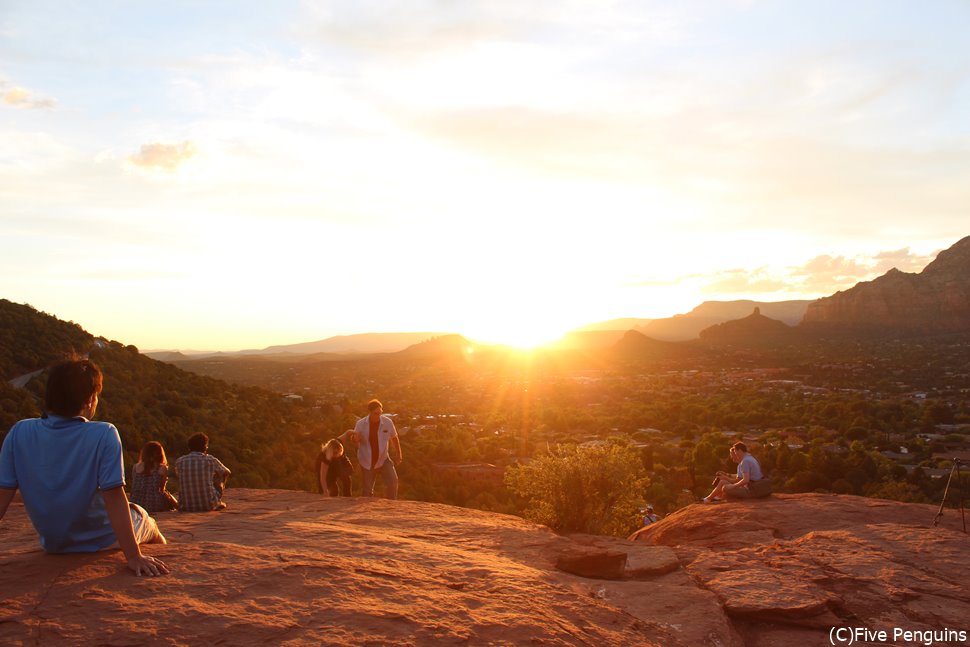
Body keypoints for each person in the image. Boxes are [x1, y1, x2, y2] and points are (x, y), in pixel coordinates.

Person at [0, 358, 168, 576]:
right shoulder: (104, 433)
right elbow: (114, 496)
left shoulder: (19, 432)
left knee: (136, 510)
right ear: (90, 399)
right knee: (147, 520)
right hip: (102, 538)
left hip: (54, 544)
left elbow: (2, 496)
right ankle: (163, 558)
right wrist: (134, 556)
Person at [339, 399, 403, 499]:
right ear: (370, 412)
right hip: (367, 461)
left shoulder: (387, 422)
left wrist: (399, 454)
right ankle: (366, 512)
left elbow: (394, 438)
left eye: (380, 413)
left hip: (383, 459)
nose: (378, 415)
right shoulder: (360, 424)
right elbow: (354, 439)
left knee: (393, 481)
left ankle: (391, 504)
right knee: (367, 491)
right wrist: (355, 439)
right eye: (376, 413)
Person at [174, 432, 231, 512]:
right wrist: (215, 476)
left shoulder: (179, 461)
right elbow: (227, 472)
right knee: (222, 474)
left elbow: (178, 476)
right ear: (205, 447)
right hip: (208, 506)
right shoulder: (210, 460)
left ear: (189, 447)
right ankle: (217, 502)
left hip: (185, 506)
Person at [703, 441, 772, 503]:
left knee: (725, 487)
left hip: (752, 490)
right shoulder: (750, 458)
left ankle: (712, 498)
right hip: (756, 487)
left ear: (739, 450)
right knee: (723, 482)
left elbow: (745, 480)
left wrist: (732, 486)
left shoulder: (745, 461)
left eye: (735, 452)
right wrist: (728, 475)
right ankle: (708, 499)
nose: (735, 454)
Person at [130, 441, 179, 513]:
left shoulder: (136, 467)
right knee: (167, 495)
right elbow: (162, 489)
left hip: (137, 502)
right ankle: (178, 507)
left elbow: (134, 486)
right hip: (155, 503)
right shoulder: (162, 468)